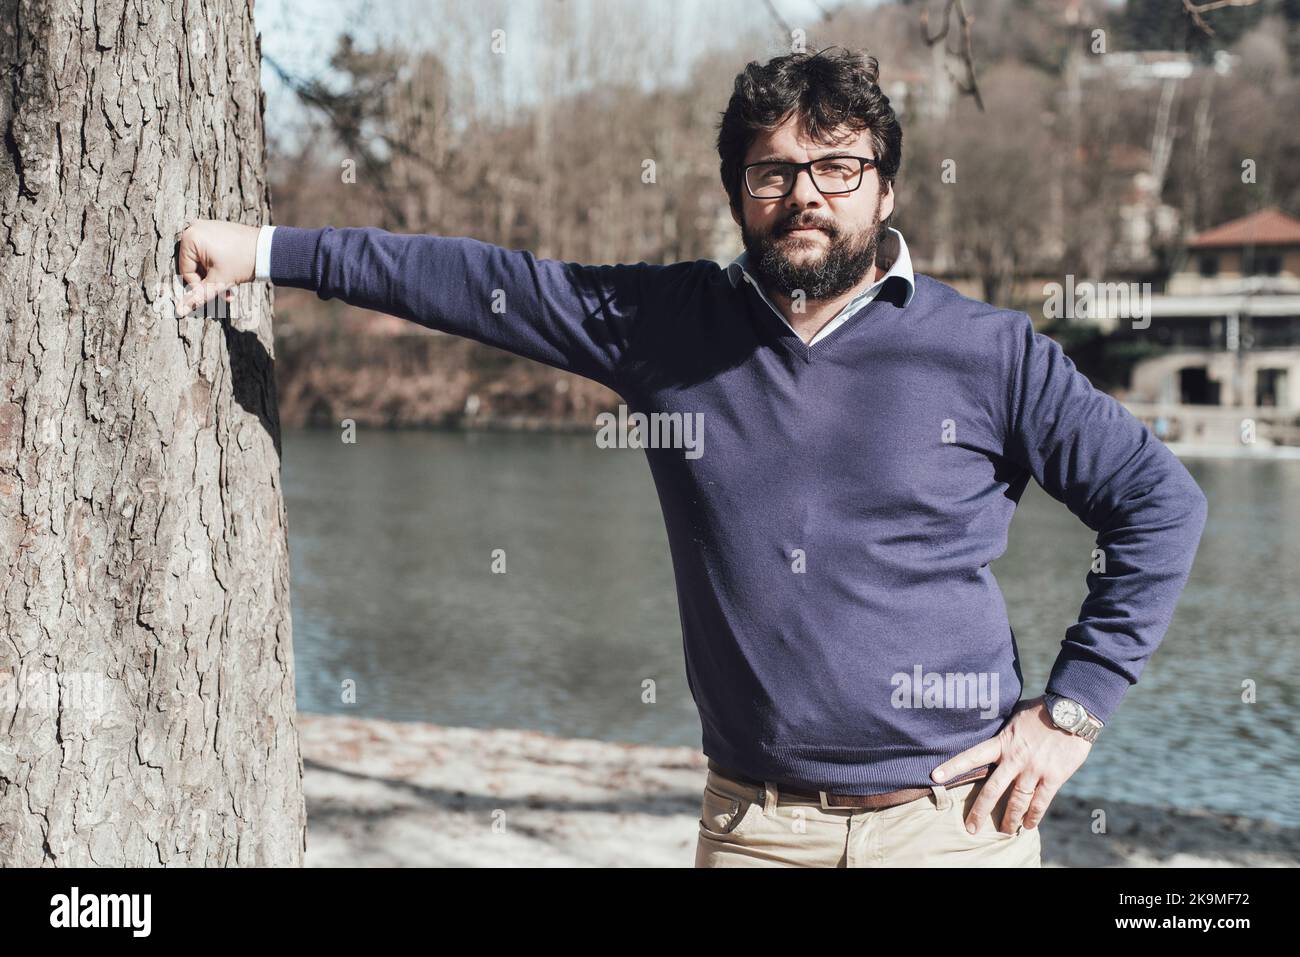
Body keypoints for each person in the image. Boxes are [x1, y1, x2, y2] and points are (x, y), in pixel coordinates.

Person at [176, 47, 1208, 868]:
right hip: (754, 830)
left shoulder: (986, 352)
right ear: (738, 194)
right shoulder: (666, 326)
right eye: (773, 171)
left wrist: (1071, 714)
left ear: (885, 190)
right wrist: (268, 253)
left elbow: (1160, 506)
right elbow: (468, 280)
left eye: (837, 167)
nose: (805, 193)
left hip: (953, 829)